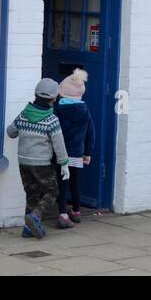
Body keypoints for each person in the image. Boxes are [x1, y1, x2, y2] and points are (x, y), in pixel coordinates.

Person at [6, 77, 72, 237]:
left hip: (23, 162)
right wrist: (64, 163)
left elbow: (11, 132)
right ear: (53, 98)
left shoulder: (24, 114)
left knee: (32, 193)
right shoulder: (51, 120)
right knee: (52, 191)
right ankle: (35, 216)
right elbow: (59, 144)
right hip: (42, 164)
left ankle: (28, 229)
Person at [54, 68, 95, 223]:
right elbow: (91, 134)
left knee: (62, 183)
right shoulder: (85, 111)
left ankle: (63, 213)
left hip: (61, 153)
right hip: (77, 153)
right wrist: (87, 153)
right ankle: (77, 211)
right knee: (74, 182)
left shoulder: (58, 109)